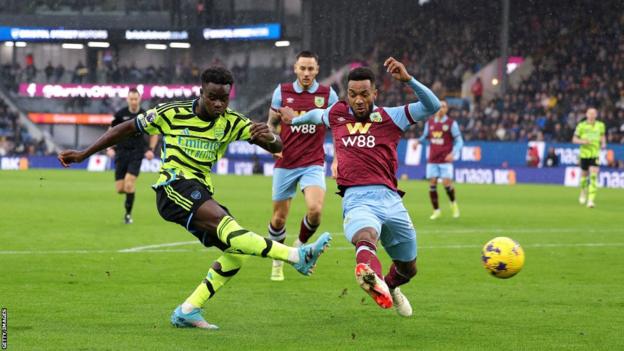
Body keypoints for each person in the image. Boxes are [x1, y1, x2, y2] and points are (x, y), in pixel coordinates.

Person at [58, 67, 332, 329]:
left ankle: (188, 310)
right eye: (212, 97)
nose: (218, 104)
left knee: (237, 252)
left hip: (200, 192)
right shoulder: (172, 113)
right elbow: (126, 128)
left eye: (223, 98)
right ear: (201, 92)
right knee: (231, 228)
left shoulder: (232, 122)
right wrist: (84, 153)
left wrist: (270, 138)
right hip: (173, 187)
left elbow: (278, 146)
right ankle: (297, 255)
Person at [279, 58, 441, 317]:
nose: (358, 100)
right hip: (357, 198)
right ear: (347, 94)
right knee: (365, 237)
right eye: (353, 95)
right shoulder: (337, 114)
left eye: (364, 94)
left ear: (375, 93)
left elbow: (432, 105)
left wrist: (408, 79)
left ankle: (388, 286)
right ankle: (369, 275)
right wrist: (295, 119)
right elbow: (315, 116)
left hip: (391, 199)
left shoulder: (392, 116)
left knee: (408, 269)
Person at [266, 50, 339, 281]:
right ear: (295, 68)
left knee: (316, 211)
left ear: (317, 70)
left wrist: (337, 158)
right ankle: (278, 260)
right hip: (285, 162)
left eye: (311, 69)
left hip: (313, 162)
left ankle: (299, 246)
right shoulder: (282, 92)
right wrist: (272, 144)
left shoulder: (328, 95)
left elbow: (339, 128)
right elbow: (271, 124)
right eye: (302, 68)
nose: (306, 73)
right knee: (278, 218)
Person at [105, 88, 155, 224]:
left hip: (137, 153)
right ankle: (129, 193)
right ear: (127, 99)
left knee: (129, 183)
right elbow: (111, 131)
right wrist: (109, 147)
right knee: (120, 189)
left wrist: (150, 149)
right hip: (121, 153)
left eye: (136, 98)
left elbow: (154, 133)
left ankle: (128, 215)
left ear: (139, 99)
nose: (133, 101)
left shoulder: (145, 114)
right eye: (131, 99)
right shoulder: (120, 115)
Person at [414, 100, 463, 220]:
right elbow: (425, 136)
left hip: (445, 159)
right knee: (432, 183)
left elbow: (459, 141)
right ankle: (436, 211)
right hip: (433, 159)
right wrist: (418, 142)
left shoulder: (451, 124)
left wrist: (453, 153)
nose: (441, 108)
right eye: (439, 106)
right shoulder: (429, 123)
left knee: (446, 183)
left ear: (446, 109)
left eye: (444, 107)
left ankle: (453, 204)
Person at [572, 107, 606, 208]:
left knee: (593, 176)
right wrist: (583, 141)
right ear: (586, 114)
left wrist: (603, 143)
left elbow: (602, 136)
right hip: (584, 154)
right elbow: (574, 139)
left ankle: (591, 200)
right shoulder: (581, 126)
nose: (591, 115)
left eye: (593, 113)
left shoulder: (600, 125)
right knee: (584, 177)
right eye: (589, 113)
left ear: (596, 115)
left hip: (595, 154)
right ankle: (583, 191)